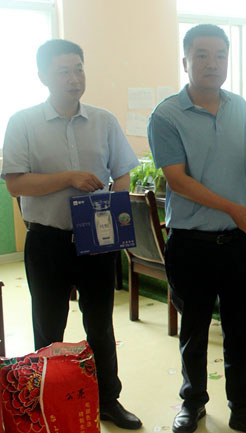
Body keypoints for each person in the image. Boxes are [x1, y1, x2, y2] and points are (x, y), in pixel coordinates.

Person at [1, 39, 142, 429]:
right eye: (63, 71)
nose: (74, 78)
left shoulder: (103, 121)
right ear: (43, 76)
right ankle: (46, 402)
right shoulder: (23, 122)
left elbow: (123, 171)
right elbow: (15, 183)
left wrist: (114, 206)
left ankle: (108, 400)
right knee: (49, 327)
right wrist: (69, 178)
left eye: (78, 69)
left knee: (100, 325)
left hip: (97, 241)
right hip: (48, 240)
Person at [147, 24, 246, 433]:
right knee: (194, 331)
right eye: (202, 55)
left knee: (242, 331)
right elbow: (177, 180)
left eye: (220, 55)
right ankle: (193, 404)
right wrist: (232, 208)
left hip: (240, 243)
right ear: (185, 61)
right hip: (191, 244)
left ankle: (244, 409)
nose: (212, 63)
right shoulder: (166, 115)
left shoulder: (240, 106)